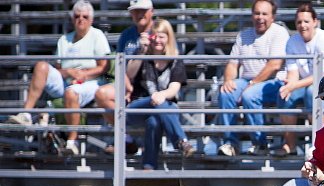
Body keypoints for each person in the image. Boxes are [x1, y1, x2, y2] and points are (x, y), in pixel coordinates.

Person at [6, 0, 110, 156]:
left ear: (91, 20)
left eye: (85, 16)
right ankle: (26, 114)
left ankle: (71, 141)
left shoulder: (97, 35)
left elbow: (104, 67)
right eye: (77, 16)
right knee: (41, 66)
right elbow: (59, 69)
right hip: (66, 80)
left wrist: (83, 75)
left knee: (71, 92)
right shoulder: (64, 40)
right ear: (72, 18)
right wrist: (69, 73)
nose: (80, 19)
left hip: (91, 82)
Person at [272, 2, 324, 158]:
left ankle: (321, 143)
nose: (302, 25)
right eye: (299, 22)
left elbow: (322, 75)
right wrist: (289, 86)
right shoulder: (292, 41)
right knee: (284, 95)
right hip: (308, 82)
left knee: (312, 93)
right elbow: (293, 72)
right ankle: (290, 145)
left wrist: (293, 85)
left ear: (315, 22)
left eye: (306, 21)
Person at [217, 0, 289, 157]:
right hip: (248, 80)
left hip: (275, 81)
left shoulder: (279, 32)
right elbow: (232, 64)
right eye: (257, 13)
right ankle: (230, 143)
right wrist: (228, 80)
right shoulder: (243, 35)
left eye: (264, 14)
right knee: (226, 92)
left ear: (273, 17)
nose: (260, 17)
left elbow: (275, 65)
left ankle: (260, 143)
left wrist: (252, 84)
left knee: (250, 95)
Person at [125, 18, 194, 170]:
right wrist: (142, 52)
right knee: (164, 105)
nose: (157, 40)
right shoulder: (143, 55)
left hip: (160, 108)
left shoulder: (175, 59)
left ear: (169, 38)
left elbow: (174, 88)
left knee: (153, 121)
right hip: (138, 107)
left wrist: (161, 95)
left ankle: (148, 166)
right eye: (154, 36)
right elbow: (129, 74)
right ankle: (181, 142)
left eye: (162, 36)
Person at [95, 0, 155, 155]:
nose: (139, 14)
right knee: (101, 94)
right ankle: (126, 138)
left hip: (152, 86)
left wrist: (145, 51)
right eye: (135, 11)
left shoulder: (160, 32)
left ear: (151, 11)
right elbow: (120, 66)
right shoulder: (126, 35)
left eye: (143, 10)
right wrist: (127, 86)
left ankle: (126, 140)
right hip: (127, 83)